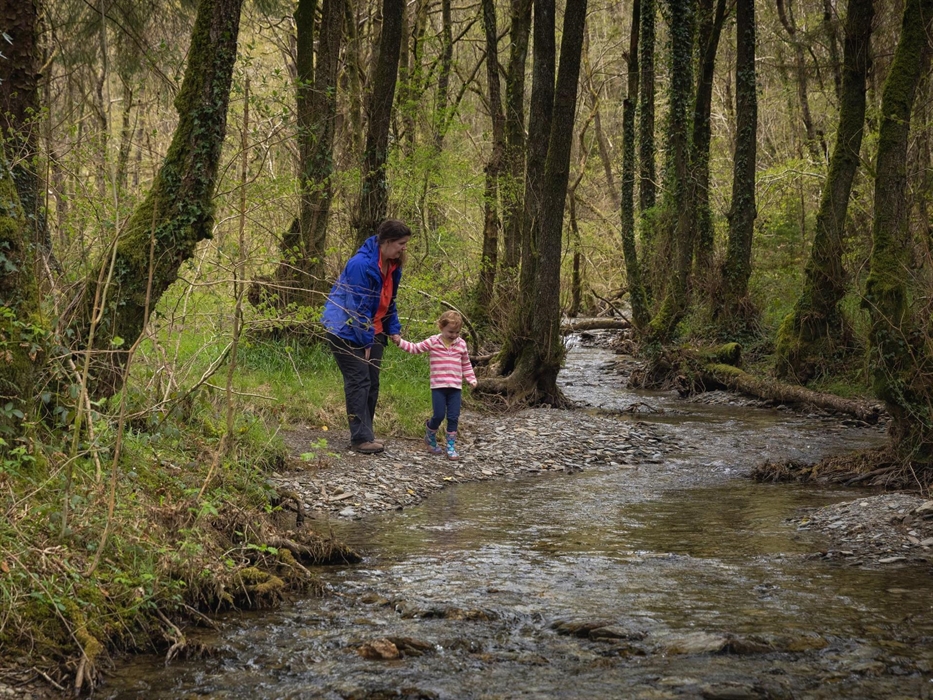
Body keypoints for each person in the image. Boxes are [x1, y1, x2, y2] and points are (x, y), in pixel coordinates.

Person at [321, 220, 412, 454]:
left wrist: (393, 328)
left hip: (375, 329)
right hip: (345, 329)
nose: (404, 248)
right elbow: (357, 307)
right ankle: (360, 438)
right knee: (358, 381)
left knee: (372, 382)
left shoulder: (393, 266)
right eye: (401, 244)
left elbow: (389, 300)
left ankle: (366, 433)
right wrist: (366, 341)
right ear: (387, 242)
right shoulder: (360, 265)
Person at [391, 311, 477, 460]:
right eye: (450, 331)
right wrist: (400, 341)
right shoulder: (433, 341)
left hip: (455, 387)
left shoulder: (461, 344)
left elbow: (466, 363)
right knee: (438, 415)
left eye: (457, 332)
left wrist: (471, 379)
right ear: (441, 327)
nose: (453, 335)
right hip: (438, 386)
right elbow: (415, 348)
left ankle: (450, 446)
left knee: (453, 416)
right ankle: (430, 435)